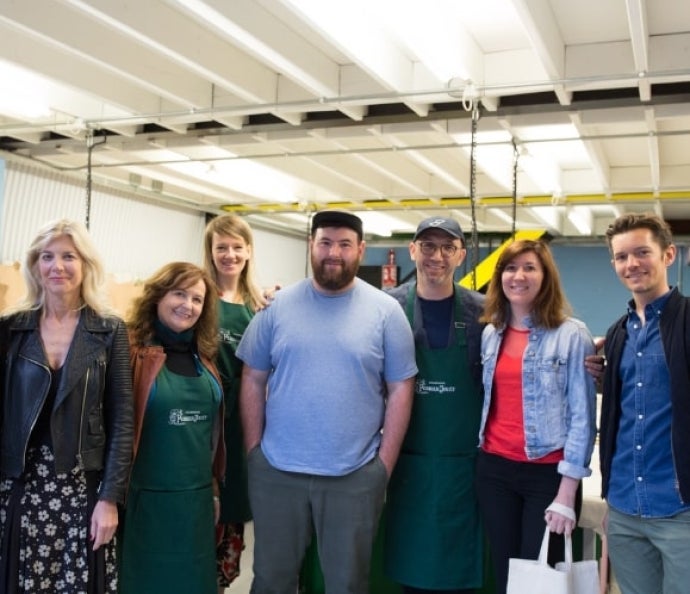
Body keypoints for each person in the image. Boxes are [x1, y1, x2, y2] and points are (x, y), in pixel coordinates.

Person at [237, 210, 417, 594]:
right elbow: (252, 376)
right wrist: (255, 452)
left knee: (346, 584)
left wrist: (382, 466)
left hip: (354, 474)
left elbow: (402, 387)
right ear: (311, 245)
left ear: (361, 249)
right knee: (270, 581)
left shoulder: (386, 312)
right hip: (277, 472)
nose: (334, 252)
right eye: (325, 243)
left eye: (344, 244)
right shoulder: (276, 307)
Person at [0, 218, 134, 594]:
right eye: (47, 256)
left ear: (86, 264)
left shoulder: (109, 330)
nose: (57, 266)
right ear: (34, 265)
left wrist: (109, 499)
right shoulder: (11, 329)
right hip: (20, 486)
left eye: (68, 256)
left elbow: (122, 420)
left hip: (82, 488)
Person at [476, 238, 597, 594]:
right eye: (510, 268)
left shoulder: (572, 335)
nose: (518, 276)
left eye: (530, 268)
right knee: (506, 575)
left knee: (541, 582)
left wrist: (567, 493)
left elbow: (582, 418)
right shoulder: (491, 333)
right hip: (494, 471)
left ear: (546, 277)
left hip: (547, 476)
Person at [383, 216, 485, 594]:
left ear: (461, 255)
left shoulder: (484, 312)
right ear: (413, 250)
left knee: (458, 576)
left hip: (464, 470)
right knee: (412, 571)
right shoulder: (387, 307)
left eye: (447, 247)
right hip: (405, 467)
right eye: (428, 246)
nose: (437, 256)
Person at [119, 262, 225, 594]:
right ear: (158, 296)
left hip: (196, 505)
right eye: (179, 294)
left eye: (197, 299)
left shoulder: (205, 358)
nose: (188, 305)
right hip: (145, 505)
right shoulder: (130, 352)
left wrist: (214, 488)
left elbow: (210, 438)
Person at [599, 213, 690, 594]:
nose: (631, 264)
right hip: (624, 509)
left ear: (668, 255)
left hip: (680, 510)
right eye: (622, 257)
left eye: (642, 252)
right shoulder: (617, 334)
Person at [203, 214, 265, 592]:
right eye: (221, 247)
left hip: (241, 424)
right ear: (210, 251)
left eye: (236, 247)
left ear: (249, 251)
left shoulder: (259, 305)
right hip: (203, 420)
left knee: (231, 515)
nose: (229, 254)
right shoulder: (198, 297)